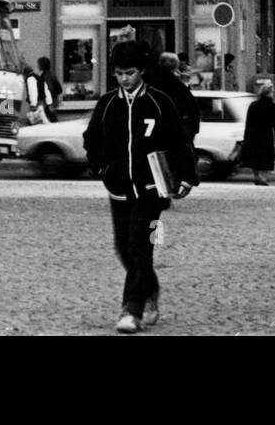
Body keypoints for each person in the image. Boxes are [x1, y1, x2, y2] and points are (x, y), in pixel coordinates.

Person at [82, 47, 196, 334]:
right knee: (123, 248)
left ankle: (131, 310)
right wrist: (101, 169)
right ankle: (151, 289)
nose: (124, 79)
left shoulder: (159, 103)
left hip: (152, 190)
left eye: (129, 73)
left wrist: (186, 177)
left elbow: (179, 141)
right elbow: (91, 139)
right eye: (119, 74)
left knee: (141, 246)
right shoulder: (108, 104)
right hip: (119, 189)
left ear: (141, 71)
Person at [150, 52, 199, 142]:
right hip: (175, 129)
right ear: (175, 66)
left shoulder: (152, 85)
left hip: (155, 130)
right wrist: (194, 129)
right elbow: (192, 108)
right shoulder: (179, 86)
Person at [241, 81, 275, 185]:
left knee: (255, 156)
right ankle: (263, 177)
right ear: (268, 93)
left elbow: (248, 122)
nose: (274, 93)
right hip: (266, 135)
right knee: (265, 157)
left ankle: (256, 176)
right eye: (272, 92)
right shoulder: (272, 106)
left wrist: (246, 136)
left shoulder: (253, 105)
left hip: (253, 134)